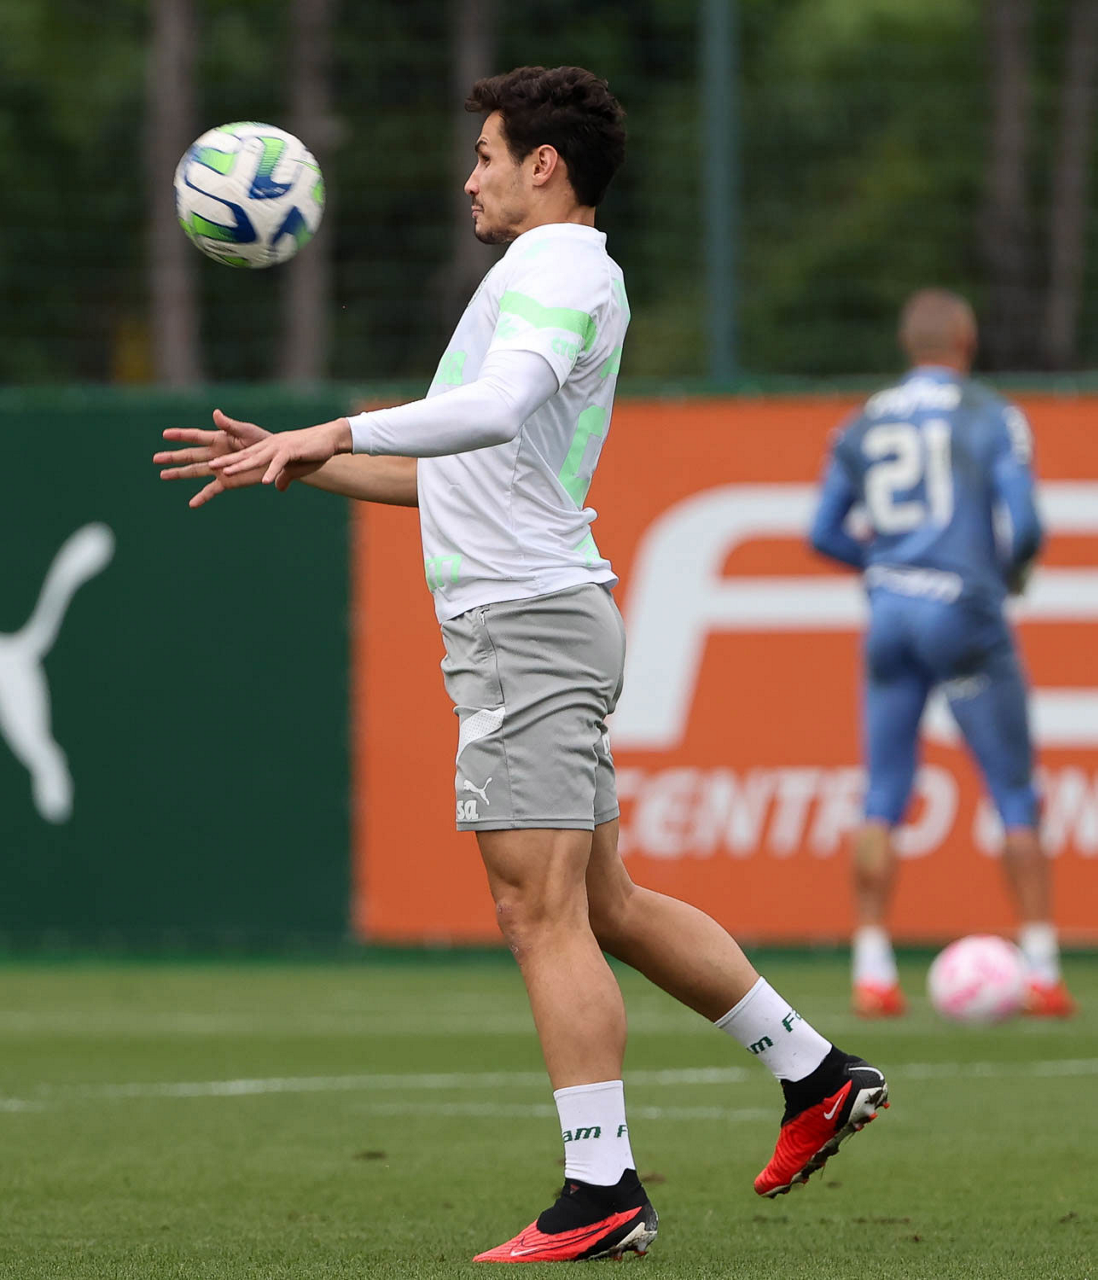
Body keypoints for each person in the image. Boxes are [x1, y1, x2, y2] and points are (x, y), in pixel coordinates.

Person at [155, 65, 888, 1263]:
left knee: (536, 910)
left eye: (486, 155)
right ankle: (814, 1071)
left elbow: (495, 407)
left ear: (543, 165)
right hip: (542, 616)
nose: (471, 178)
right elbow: (458, 462)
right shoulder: (555, 271)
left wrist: (333, 424)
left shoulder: (553, 268)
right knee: (605, 903)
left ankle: (602, 1186)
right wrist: (298, 458)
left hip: (526, 627)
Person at [809, 288, 1076, 1021]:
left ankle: (872, 970)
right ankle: (1042, 969)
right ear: (967, 339)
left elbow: (823, 530)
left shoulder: (862, 421)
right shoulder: (991, 414)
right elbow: (1025, 524)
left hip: (890, 617)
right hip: (964, 612)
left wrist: (883, 570)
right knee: (1013, 791)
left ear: (908, 345)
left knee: (883, 794)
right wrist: (1006, 575)